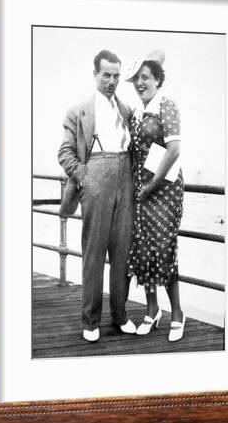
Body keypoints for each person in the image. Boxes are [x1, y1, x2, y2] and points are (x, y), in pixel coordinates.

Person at [58, 49, 136, 342]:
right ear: (95, 75)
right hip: (96, 177)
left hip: (125, 177)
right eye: (106, 75)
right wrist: (85, 176)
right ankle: (90, 320)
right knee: (93, 253)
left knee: (122, 252)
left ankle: (120, 315)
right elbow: (64, 153)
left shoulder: (126, 110)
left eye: (116, 76)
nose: (112, 81)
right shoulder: (78, 112)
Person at [126, 50, 186, 341]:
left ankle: (177, 312)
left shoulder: (167, 105)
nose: (140, 83)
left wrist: (152, 185)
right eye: (137, 78)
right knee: (142, 248)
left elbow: (174, 150)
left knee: (163, 248)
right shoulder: (136, 113)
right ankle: (152, 310)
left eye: (145, 77)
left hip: (164, 190)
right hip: (141, 189)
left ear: (157, 80)